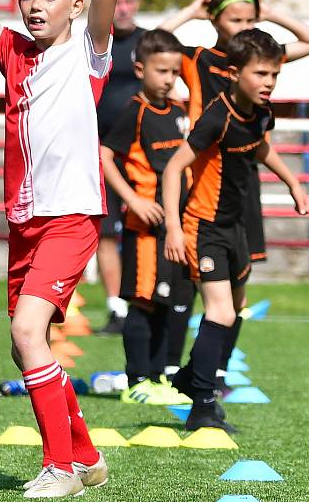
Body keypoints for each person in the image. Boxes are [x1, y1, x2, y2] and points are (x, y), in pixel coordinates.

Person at [0, 0, 121, 498]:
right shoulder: (14, 51)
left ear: (77, 6)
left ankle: (60, 468)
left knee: (28, 333)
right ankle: (87, 458)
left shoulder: (88, 52)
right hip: (25, 221)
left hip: (70, 217)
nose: (34, 5)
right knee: (24, 345)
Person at [159, 0, 309, 387]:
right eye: (236, 19)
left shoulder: (261, 65)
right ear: (215, 19)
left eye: (251, 20)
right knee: (192, 289)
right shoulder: (200, 59)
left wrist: (270, 12)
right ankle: (173, 371)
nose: (244, 27)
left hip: (240, 179)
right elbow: (157, 44)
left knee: (236, 296)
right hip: (200, 174)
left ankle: (212, 371)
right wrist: (189, 11)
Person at [100, 29, 194, 406]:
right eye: (161, 71)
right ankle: (137, 378)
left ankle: (160, 377)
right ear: (140, 69)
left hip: (177, 224)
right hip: (144, 227)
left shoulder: (179, 113)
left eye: (174, 71)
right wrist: (133, 201)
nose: (169, 79)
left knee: (169, 301)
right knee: (143, 301)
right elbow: (105, 156)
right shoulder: (135, 112)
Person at [96, 0, 146, 334]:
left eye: (128, 2)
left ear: (137, 4)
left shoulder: (150, 44)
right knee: (106, 232)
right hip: (100, 152)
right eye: (117, 2)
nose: (123, 8)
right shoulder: (96, 42)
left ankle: (147, 303)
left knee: (143, 229)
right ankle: (117, 309)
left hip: (142, 155)